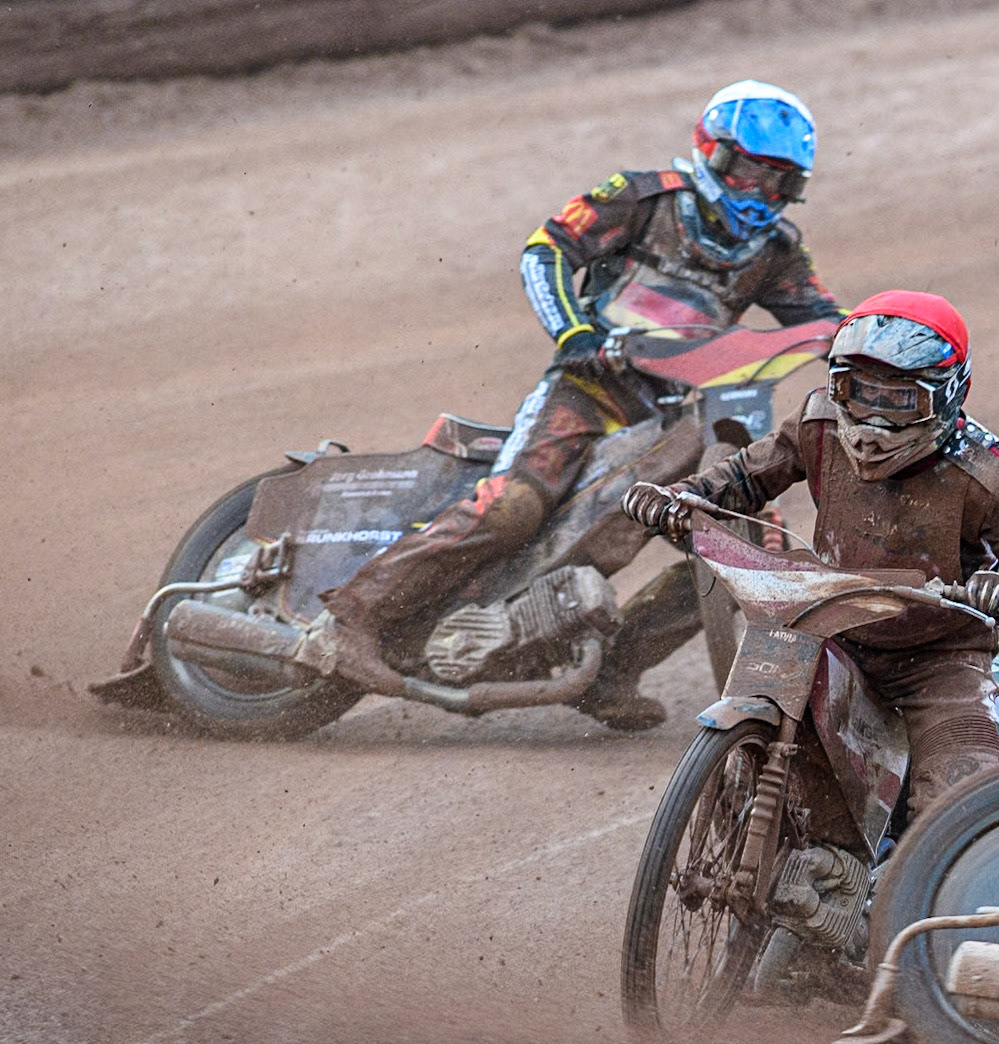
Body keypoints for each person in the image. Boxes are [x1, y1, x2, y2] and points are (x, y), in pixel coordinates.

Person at [311, 80, 844, 725]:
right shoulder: (641, 198)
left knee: (751, 555)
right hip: (587, 389)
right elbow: (548, 248)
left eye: (780, 183)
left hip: (682, 415)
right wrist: (575, 331)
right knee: (512, 507)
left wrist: (877, 344)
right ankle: (349, 622)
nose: (760, 194)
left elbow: (824, 320)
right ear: (712, 150)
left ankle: (612, 669)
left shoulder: (778, 250)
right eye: (750, 172)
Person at [625, 290, 999, 815]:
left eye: (900, 400)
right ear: (834, 383)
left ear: (950, 396)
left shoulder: (986, 474)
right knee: (761, 746)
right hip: (827, 625)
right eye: (855, 390)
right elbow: (745, 476)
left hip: (938, 661)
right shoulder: (818, 425)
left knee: (957, 811)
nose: (871, 423)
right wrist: (683, 497)